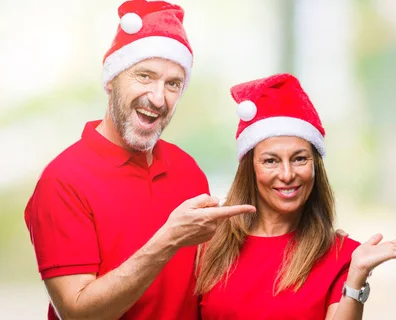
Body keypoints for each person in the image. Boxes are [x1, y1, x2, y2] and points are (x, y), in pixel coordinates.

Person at [24, 1, 255, 319]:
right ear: (110, 79)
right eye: (145, 76)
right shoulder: (62, 181)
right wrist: (169, 239)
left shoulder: (187, 169)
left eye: (173, 84)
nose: (158, 98)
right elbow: (77, 314)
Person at [195, 73, 396, 319]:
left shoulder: (342, 256)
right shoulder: (209, 245)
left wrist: (357, 274)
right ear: (250, 169)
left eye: (299, 159)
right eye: (271, 161)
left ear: (315, 166)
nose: (287, 174)